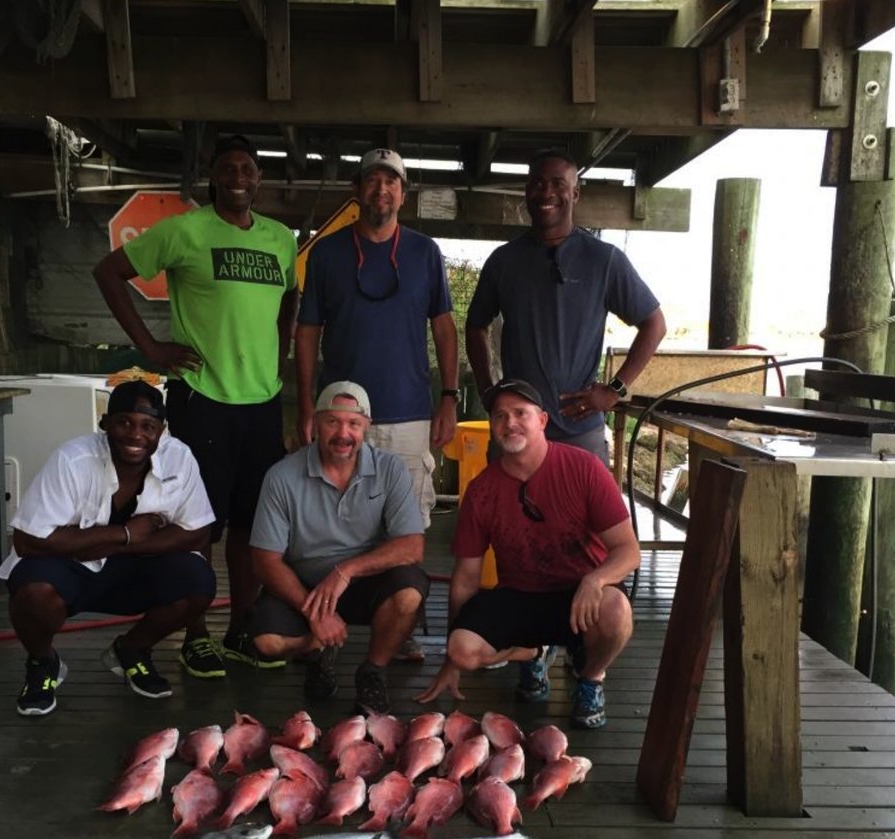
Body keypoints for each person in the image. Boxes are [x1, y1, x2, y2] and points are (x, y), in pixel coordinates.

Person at [93, 134, 298, 681]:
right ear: (213, 175)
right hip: (203, 396)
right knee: (200, 521)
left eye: (248, 168)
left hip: (262, 400)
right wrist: (151, 349)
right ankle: (196, 634)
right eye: (228, 166)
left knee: (253, 524)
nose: (238, 175)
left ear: (259, 180)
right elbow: (109, 272)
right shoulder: (184, 230)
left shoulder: (281, 240)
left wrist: (279, 356)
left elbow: (290, 300)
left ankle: (241, 625)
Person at [294, 146, 457, 662]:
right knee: (334, 517)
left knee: (408, 523)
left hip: (409, 412)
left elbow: (445, 328)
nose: (381, 190)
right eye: (371, 180)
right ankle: (328, 619)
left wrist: (448, 398)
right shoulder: (326, 253)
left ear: (402, 195)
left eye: (391, 182)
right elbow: (307, 333)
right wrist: (304, 405)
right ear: (356, 190)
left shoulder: (425, 253)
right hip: (340, 416)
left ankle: (400, 628)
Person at [414, 378, 640, 729]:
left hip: (579, 595)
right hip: (519, 595)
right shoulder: (481, 491)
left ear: (543, 421)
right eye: (500, 416)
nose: (510, 423)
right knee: (462, 648)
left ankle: (591, 678)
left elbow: (628, 550)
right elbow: (466, 578)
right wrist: (450, 659)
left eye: (521, 413)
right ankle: (535, 652)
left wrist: (596, 579)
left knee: (616, 611)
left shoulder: (585, 468)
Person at [0, 381, 217, 717]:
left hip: (133, 565)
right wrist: (125, 533)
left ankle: (132, 650)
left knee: (198, 581)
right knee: (33, 594)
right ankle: (43, 663)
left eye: (148, 426)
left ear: (161, 431)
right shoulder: (72, 459)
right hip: (71, 566)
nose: (135, 435)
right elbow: (27, 541)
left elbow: (198, 531)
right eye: (124, 422)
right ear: (104, 423)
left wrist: (123, 545)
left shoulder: (179, 458)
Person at [464, 148, 667, 464]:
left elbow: (654, 323)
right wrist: (487, 390)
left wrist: (615, 389)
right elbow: (476, 324)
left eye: (558, 184)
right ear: (527, 192)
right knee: (508, 512)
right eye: (537, 183)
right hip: (516, 426)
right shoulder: (504, 261)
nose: (547, 192)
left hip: (579, 428)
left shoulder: (604, 259)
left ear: (576, 194)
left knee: (586, 512)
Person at [249, 381, 429, 715]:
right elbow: (264, 560)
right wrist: (315, 612)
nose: (343, 433)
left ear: (366, 428)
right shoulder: (281, 475)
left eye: (353, 424)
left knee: (409, 595)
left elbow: (412, 546)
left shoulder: (390, 469)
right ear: (315, 423)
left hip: (366, 582)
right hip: (305, 585)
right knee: (266, 643)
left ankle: (373, 672)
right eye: (332, 422)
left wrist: (345, 571)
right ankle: (318, 648)